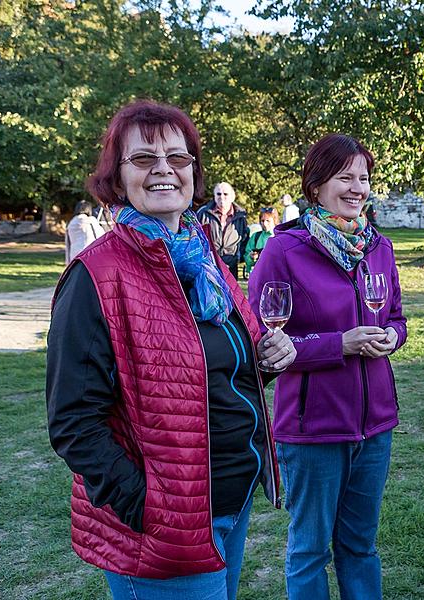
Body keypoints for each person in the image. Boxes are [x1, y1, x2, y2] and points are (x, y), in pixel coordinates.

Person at [46, 99, 296, 600]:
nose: (164, 170)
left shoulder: (204, 260)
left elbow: (208, 371)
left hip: (230, 497)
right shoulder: (96, 274)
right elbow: (74, 420)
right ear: (117, 178)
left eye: (177, 159)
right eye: (143, 159)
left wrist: (268, 359)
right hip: (166, 523)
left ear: (193, 173)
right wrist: (149, 507)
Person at [249, 133, 407, 600]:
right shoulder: (285, 250)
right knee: (310, 551)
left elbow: (395, 316)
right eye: (345, 177)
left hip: (375, 425)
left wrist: (391, 337)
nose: (358, 187)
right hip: (312, 428)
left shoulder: (379, 247)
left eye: (364, 177)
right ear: (316, 185)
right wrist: (340, 344)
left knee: (360, 546)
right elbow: (261, 339)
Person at [197, 181, 249, 279]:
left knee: (231, 293)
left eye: (225, 194)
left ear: (232, 197)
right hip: (209, 265)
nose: (222, 197)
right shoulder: (203, 213)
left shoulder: (241, 216)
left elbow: (244, 239)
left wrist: (238, 258)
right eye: (218, 194)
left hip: (231, 265)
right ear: (214, 196)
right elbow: (196, 237)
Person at [244, 206, 277, 276]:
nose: (264, 224)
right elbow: (247, 257)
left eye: (268, 220)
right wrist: (251, 257)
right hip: (258, 276)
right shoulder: (255, 237)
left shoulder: (280, 236)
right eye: (262, 221)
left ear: (275, 220)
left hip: (276, 276)